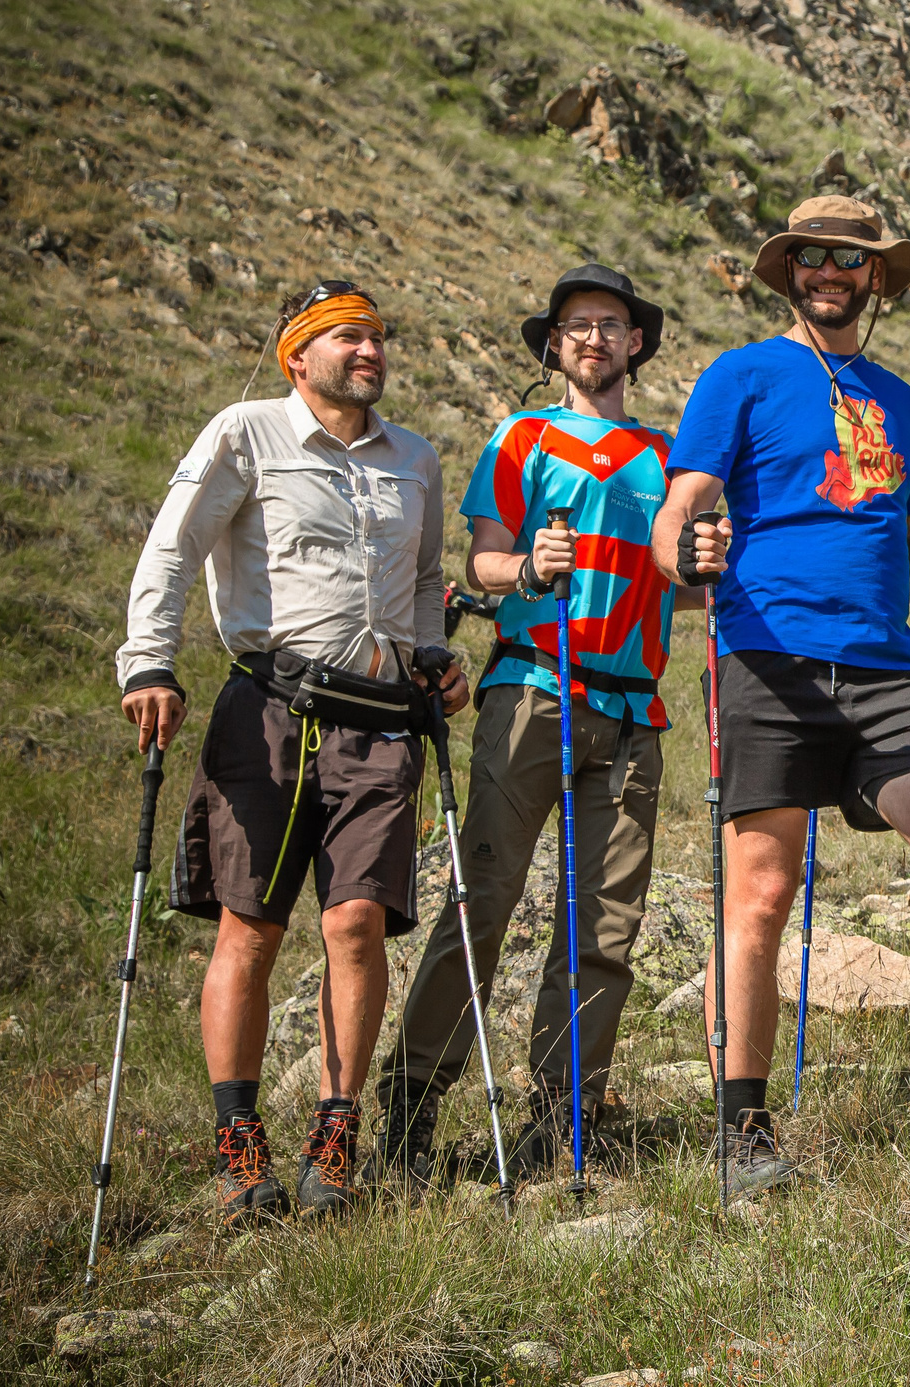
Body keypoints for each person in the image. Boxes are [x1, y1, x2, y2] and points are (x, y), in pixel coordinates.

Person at [653, 195, 910, 1192]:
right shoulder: (740, 375)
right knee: (762, 894)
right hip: (768, 660)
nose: (834, 271)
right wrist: (682, 560)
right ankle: (742, 1132)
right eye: (816, 257)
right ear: (789, 271)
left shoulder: (898, 400)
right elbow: (681, 510)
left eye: (854, 259)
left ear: (877, 279)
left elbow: (903, 554)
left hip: (885, 671)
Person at [118, 281, 468, 1222]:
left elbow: (428, 578)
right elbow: (173, 549)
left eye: (378, 337)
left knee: (356, 925)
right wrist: (148, 661)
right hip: (269, 709)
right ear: (297, 354)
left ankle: (335, 1140)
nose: (371, 351)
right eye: (349, 336)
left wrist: (436, 654)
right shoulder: (244, 432)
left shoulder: (416, 460)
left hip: (383, 719)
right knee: (252, 929)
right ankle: (240, 1147)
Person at [372, 264, 682, 1190]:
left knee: (607, 927)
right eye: (577, 325)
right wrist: (528, 567)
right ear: (553, 344)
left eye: (612, 325)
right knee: (486, 898)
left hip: (633, 708)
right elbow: (482, 559)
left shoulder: (669, 456)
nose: (594, 338)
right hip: (534, 691)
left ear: (636, 344)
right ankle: (412, 1108)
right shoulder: (524, 435)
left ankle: (564, 1112)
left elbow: (692, 578)